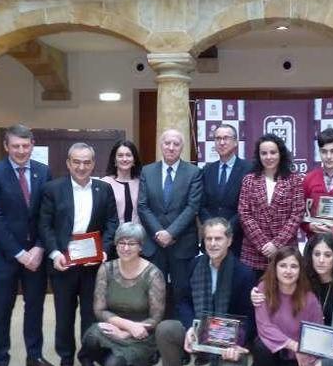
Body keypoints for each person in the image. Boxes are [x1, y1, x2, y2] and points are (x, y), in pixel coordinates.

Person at [0, 124, 55, 366]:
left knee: (35, 306)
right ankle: (0, 362)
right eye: (16, 146)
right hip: (6, 256)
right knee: (2, 309)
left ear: (32, 144)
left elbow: (47, 213)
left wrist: (38, 247)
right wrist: (19, 253)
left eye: (25, 146)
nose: (21, 151)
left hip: (37, 253)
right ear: (6, 147)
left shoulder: (42, 171)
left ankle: (34, 355)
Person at [39, 143, 119, 366]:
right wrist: (54, 254)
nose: (82, 166)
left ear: (93, 164)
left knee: (89, 314)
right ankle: (65, 361)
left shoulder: (104, 189)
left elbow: (112, 223)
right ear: (68, 163)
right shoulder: (53, 189)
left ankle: (86, 359)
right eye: (77, 162)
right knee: (63, 316)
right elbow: (45, 225)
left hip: (92, 265)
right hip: (63, 264)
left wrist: (104, 251)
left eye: (87, 162)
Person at [154, 218, 256, 366]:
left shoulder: (244, 273)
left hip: (228, 340)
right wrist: (188, 328)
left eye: (218, 238)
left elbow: (250, 316)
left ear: (230, 240)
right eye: (208, 239)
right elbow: (183, 301)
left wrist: (238, 343)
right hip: (199, 329)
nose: (213, 243)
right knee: (165, 329)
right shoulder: (194, 265)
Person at [83, 222, 165, 366]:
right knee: (89, 339)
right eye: (121, 243)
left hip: (141, 334)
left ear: (141, 247)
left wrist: (128, 333)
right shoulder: (106, 269)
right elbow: (99, 310)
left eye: (131, 243)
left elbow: (156, 318)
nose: (125, 248)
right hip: (116, 327)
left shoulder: (153, 274)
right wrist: (125, 326)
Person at [249, 246, 323, 366]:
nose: (288, 271)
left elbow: (317, 334)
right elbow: (264, 328)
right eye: (283, 265)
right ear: (275, 268)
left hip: (297, 358)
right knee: (260, 346)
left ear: (300, 270)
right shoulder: (263, 289)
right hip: (272, 350)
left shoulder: (310, 299)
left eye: (294, 266)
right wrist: (294, 345)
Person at [137, 129, 202, 310]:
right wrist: (160, 233)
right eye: (167, 143)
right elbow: (142, 206)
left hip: (181, 244)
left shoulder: (194, 172)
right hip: (153, 243)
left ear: (182, 147)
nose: (171, 147)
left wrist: (171, 233)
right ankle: (154, 333)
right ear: (161, 145)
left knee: (182, 292)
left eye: (176, 144)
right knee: (153, 291)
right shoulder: (147, 171)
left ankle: (181, 333)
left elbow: (192, 207)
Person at [237, 134, 304, 279]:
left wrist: (276, 244)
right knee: (255, 298)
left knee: (285, 299)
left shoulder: (294, 180)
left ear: (281, 154)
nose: (268, 157)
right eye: (264, 153)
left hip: (285, 252)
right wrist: (264, 244)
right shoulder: (249, 180)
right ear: (258, 156)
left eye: (273, 152)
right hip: (254, 252)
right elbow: (244, 213)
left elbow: (297, 214)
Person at [199, 124, 250, 256]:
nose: (221, 142)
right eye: (218, 138)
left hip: (238, 240)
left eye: (226, 138)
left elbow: (248, 207)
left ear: (235, 142)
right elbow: (201, 205)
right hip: (211, 241)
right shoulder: (207, 170)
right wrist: (213, 229)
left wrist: (226, 230)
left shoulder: (249, 169)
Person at [100, 139, 141, 229]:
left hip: (137, 238)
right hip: (112, 237)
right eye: (120, 155)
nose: (124, 159)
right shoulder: (104, 183)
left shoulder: (141, 183)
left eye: (128, 155)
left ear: (134, 160)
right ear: (114, 160)